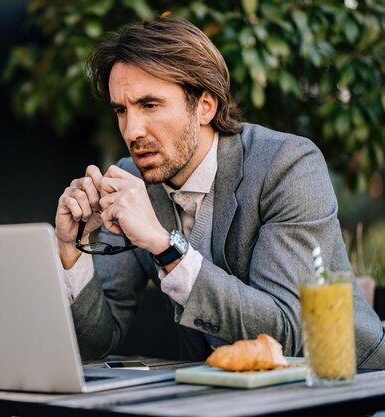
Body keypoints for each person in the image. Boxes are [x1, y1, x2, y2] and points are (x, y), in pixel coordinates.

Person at [54, 16, 385, 368]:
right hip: (222, 393)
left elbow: (288, 333)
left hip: (350, 386)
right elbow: (96, 343)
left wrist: (165, 247)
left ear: (205, 106)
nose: (132, 130)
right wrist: (71, 250)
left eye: (150, 105)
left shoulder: (288, 165)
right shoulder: (132, 182)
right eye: (122, 110)